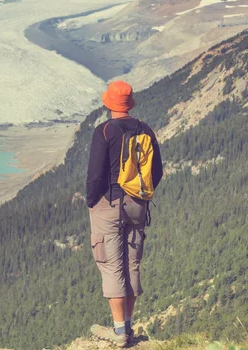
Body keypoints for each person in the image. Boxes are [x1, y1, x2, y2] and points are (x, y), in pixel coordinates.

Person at [85, 81, 163, 347]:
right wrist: (140, 197)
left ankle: (119, 333)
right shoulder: (145, 129)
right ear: (130, 104)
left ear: (109, 104)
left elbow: (95, 174)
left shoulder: (104, 131)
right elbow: (157, 172)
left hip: (109, 204)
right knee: (132, 264)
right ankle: (127, 326)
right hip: (137, 204)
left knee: (112, 265)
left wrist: (91, 202)